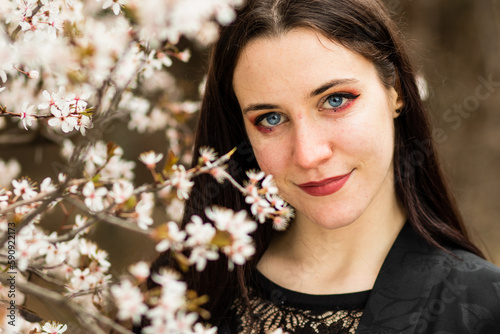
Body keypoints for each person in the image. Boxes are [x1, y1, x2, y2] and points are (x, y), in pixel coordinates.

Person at [149, 0, 500, 333]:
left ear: (397, 92)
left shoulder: (482, 309)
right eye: (271, 119)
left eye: (335, 100)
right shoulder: (180, 286)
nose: (307, 154)